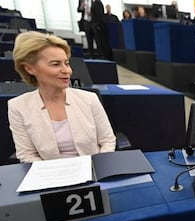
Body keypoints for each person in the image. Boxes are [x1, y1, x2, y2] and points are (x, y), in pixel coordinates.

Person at [8, 31, 116, 163]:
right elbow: (27, 155)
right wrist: (57, 174)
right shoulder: (18, 107)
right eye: (55, 64)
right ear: (30, 69)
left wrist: (98, 167)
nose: (67, 71)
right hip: (50, 176)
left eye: (67, 63)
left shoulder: (89, 99)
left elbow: (108, 141)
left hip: (94, 170)